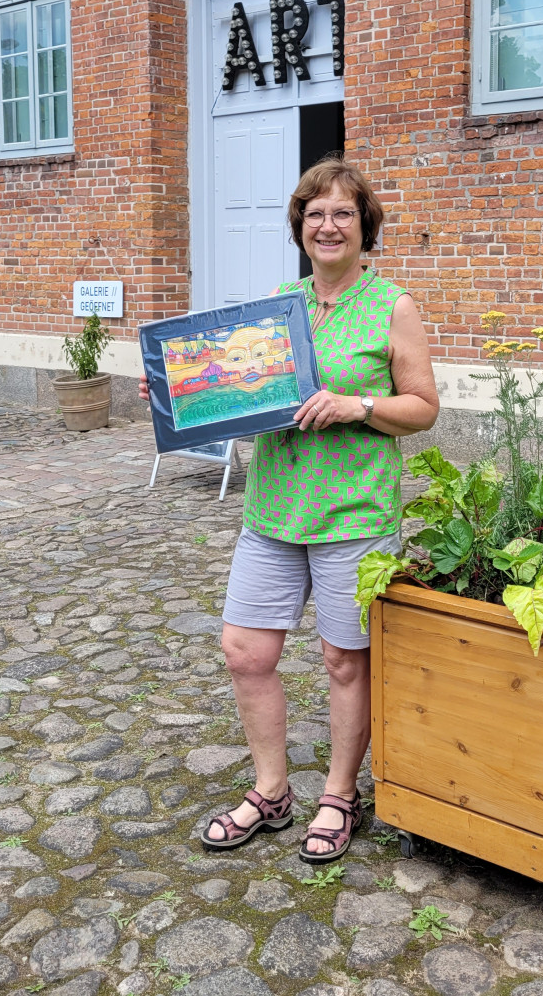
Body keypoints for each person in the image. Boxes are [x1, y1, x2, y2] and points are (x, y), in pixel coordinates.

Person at [141, 157, 439, 863]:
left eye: (342, 213)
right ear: (299, 228)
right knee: (246, 652)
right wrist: (208, 401)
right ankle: (272, 791)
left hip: (353, 512)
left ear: (365, 226)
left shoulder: (392, 305)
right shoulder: (281, 304)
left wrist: (357, 405)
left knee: (343, 659)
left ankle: (339, 795)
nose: (327, 225)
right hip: (274, 509)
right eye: (314, 214)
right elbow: (247, 388)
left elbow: (422, 408)